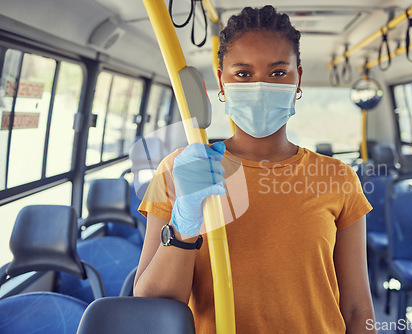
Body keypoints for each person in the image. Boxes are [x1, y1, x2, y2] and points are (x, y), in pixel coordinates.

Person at [134, 5, 376, 333]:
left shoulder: (338, 178)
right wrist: (184, 225)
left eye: (277, 73)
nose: (260, 86)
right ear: (222, 82)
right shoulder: (180, 170)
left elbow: (357, 308)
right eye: (243, 74)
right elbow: (153, 300)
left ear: (297, 79)